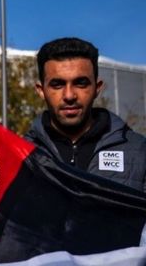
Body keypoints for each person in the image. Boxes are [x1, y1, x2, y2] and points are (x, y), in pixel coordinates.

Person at [24, 37, 146, 192]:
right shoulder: (19, 155)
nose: (69, 95)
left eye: (80, 83)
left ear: (97, 88)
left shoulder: (139, 151)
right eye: (57, 84)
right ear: (41, 91)